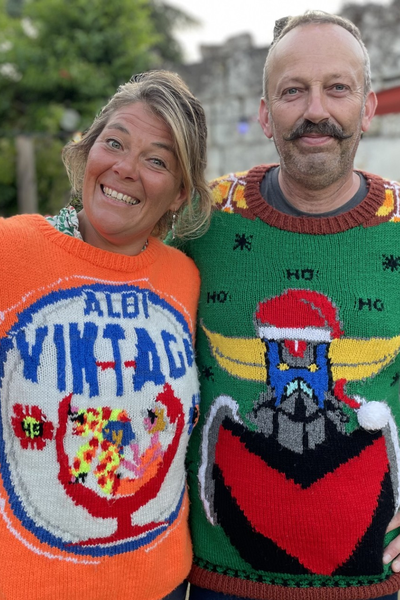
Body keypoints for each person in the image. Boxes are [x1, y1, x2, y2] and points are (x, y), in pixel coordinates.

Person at [176, 11, 400, 600]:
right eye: (293, 91)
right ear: (264, 113)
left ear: (367, 107)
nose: (315, 111)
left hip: (374, 586)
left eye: (337, 88)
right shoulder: (202, 221)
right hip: (221, 583)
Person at [0, 70, 212, 600]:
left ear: (180, 192)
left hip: (162, 585)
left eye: (156, 159)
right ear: (88, 150)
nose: (125, 168)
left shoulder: (184, 279)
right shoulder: (11, 251)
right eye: (114, 142)